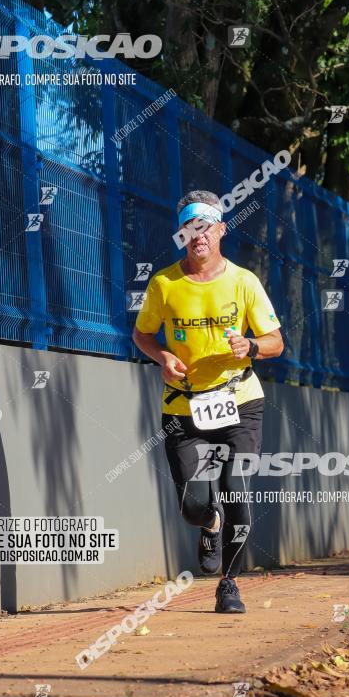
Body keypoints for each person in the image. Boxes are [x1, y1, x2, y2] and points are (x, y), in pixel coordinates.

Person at [132, 190, 283, 613]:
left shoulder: (244, 281)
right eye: (190, 227)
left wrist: (249, 345)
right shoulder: (164, 283)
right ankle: (209, 523)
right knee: (192, 504)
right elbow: (142, 334)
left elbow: (276, 342)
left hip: (240, 400)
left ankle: (229, 584)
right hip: (184, 405)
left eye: (206, 226)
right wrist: (162, 357)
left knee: (236, 488)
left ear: (221, 229)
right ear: (183, 234)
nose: (198, 235)